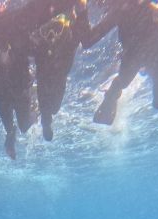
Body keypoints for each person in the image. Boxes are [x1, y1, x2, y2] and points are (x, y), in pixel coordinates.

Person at [83, 0, 158, 126]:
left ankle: (118, 86)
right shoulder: (122, 8)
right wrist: (81, 10)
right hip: (135, 52)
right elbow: (88, 41)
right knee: (124, 80)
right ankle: (113, 91)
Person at [30, 0, 91, 141]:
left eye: (56, 29)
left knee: (54, 109)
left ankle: (44, 117)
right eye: (46, 31)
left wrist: (82, 10)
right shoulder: (39, 45)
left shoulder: (69, 40)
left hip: (59, 79)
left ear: (64, 27)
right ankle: (45, 122)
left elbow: (81, 31)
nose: (51, 36)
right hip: (44, 81)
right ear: (41, 33)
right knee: (47, 110)